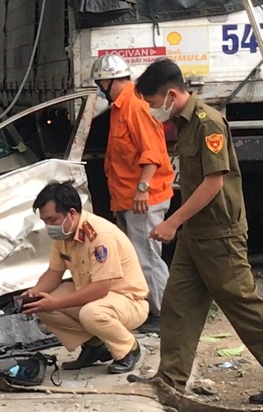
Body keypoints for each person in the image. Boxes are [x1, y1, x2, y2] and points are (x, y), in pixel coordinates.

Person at [129, 58, 263, 404]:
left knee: (244, 309)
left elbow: (212, 184)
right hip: (196, 233)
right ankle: (170, 379)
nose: (154, 110)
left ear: (171, 93)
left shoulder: (208, 123)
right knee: (179, 304)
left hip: (220, 234)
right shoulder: (184, 123)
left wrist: (172, 222)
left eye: (155, 103)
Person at [22, 182, 149, 374]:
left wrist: (56, 303)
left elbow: (100, 288)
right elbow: (53, 273)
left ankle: (128, 348)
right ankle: (94, 345)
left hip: (128, 301)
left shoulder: (100, 235)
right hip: (94, 296)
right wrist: (35, 293)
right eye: (45, 221)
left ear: (71, 213)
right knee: (41, 303)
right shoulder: (63, 234)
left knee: (91, 314)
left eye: (52, 219)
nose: (49, 226)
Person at [90, 53, 174, 334]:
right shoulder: (120, 107)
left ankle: (164, 313)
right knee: (138, 258)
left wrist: (141, 189)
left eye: (100, 82)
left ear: (108, 80)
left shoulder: (134, 106)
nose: (100, 87)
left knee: (148, 257)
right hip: (129, 198)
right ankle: (150, 310)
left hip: (143, 199)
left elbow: (151, 154)